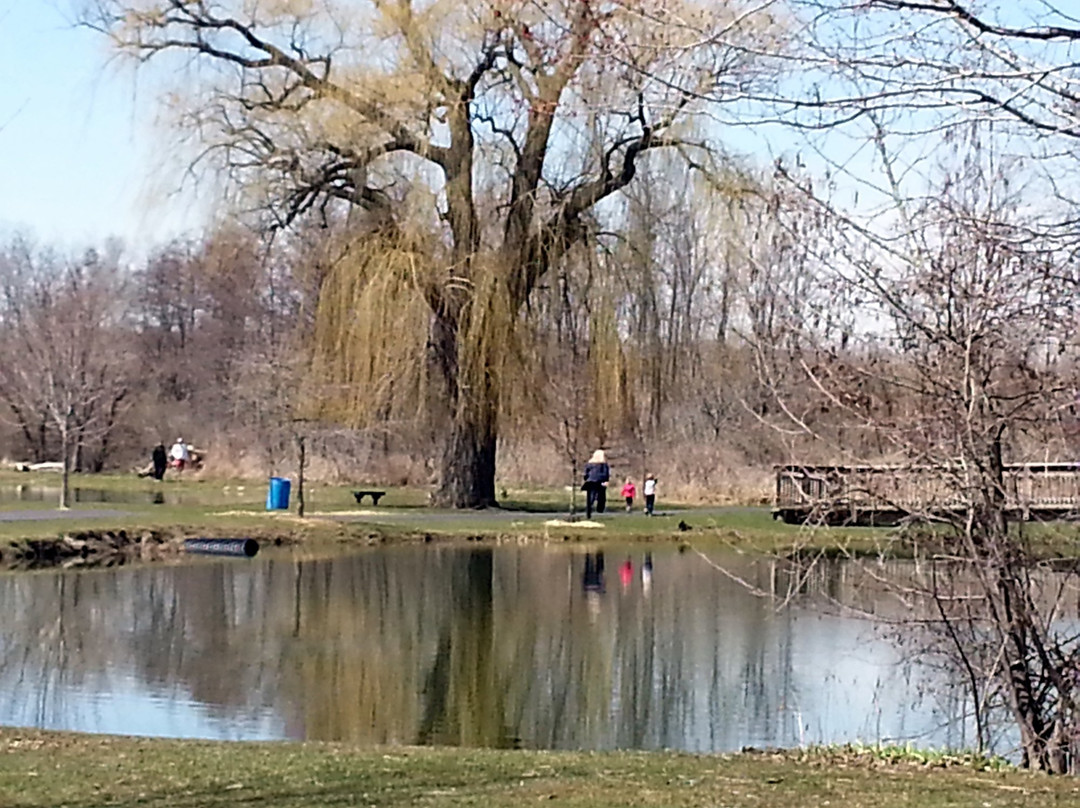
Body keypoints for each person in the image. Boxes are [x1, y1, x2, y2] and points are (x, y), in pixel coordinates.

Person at [582, 449, 610, 518]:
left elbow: (585, 473)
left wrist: (586, 478)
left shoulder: (589, 464)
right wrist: (605, 480)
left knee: (590, 497)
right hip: (599, 482)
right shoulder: (603, 464)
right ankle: (600, 509)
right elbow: (606, 474)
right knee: (601, 496)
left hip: (590, 481)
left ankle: (588, 511)